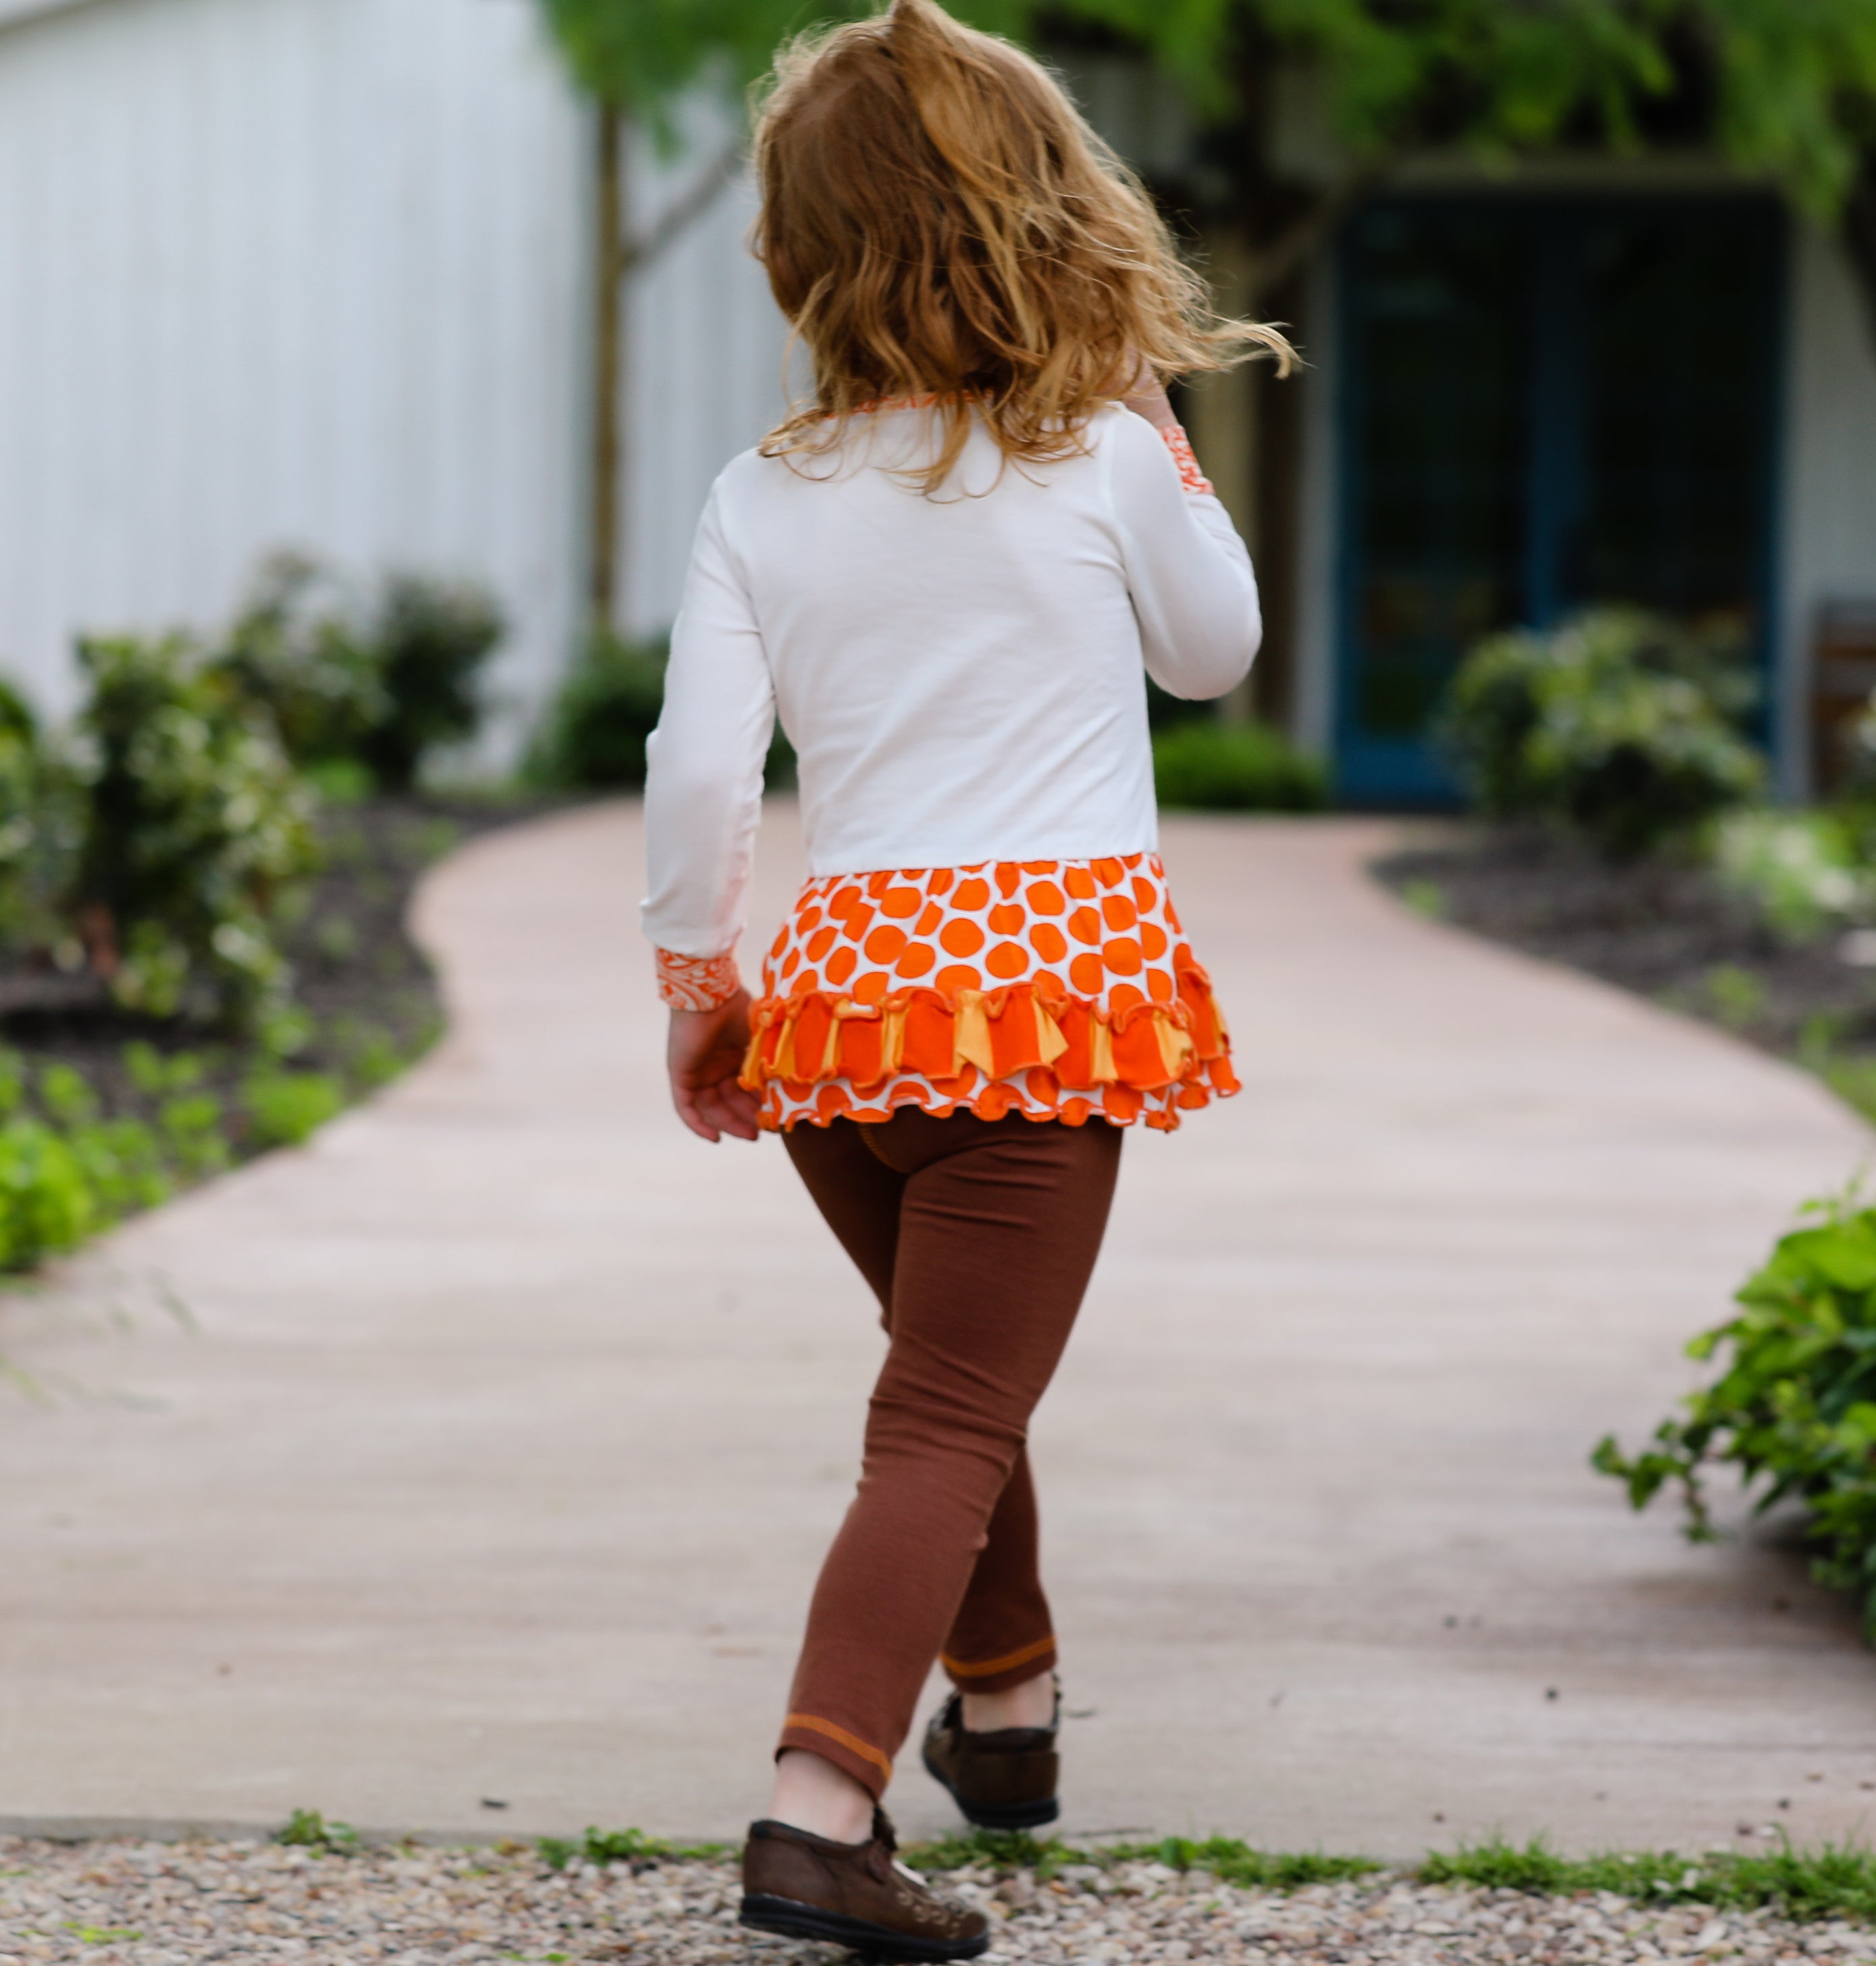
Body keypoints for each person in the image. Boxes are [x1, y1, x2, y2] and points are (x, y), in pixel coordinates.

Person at [639, 1, 1292, 1955]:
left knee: (950, 1382)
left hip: (842, 1018)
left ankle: (1003, 1712)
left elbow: (696, 766)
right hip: (1039, 1005)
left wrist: (701, 979)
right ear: (1046, 209)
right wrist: (1163, 435)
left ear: (798, 246)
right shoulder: (1099, 445)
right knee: (944, 1418)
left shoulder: (763, 491)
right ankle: (818, 1804)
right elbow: (1218, 653)